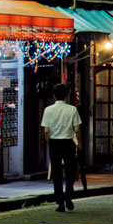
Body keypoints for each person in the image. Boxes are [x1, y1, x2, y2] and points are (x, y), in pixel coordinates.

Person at [40, 84, 81, 212]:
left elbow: (46, 131)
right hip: (68, 142)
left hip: (54, 143)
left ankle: (60, 202)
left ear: (53, 95)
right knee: (70, 171)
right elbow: (76, 128)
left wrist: (49, 143)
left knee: (56, 172)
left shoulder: (48, 110)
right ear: (67, 95)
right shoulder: (72, 109)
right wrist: (78, 143)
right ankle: (68, 194)